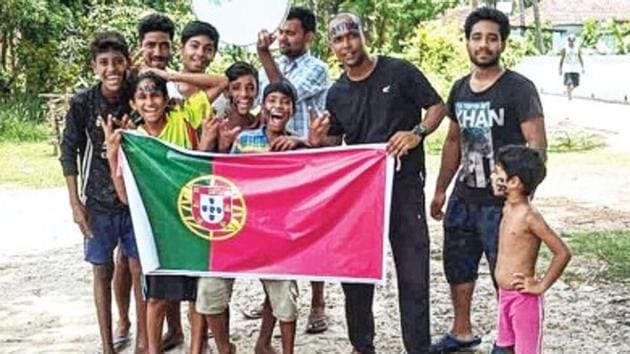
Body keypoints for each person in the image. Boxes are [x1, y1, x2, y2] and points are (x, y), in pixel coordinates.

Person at [308, 13, 447, 354]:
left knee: (413, 271)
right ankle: (362, 344)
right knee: (355, 271)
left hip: (404, 186)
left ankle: (417, 346)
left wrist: (416, 133)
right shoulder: (337, 92)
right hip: (360, 195)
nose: (347, 45)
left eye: (351, 36)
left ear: (364, 34)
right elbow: (335, 146)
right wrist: (316, 140)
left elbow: (437, 107)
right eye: (338, 40)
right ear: (332, 47)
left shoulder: (399, 72)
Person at [429, 8, 547, 353]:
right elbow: (453, 141)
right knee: (458, 266)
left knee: (509, 275)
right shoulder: (459, 88)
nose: (484, 44)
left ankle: (508, 339)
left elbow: (537, 146)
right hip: (464, 198)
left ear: (502, 44)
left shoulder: (519, 89)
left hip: (504, 204)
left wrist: (522, 194)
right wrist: (440, 189)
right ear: (467, 41)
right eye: (477, 37)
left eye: (492, 38)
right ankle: (462, 331)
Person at [195, 71, 299, 354]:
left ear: (292, 110)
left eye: (285, 102)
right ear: (263, 106)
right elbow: (223, 179)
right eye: (272, 100)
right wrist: (224, 147)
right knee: (209, 293)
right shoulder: (243, 140)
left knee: (286, 301)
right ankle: (225, 347)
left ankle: (276, 347)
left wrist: (303, 144)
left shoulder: (297, 146)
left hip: (276, 234)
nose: (278, 106)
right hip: (236, 230)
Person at [59, 31, 147, 354]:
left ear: (126, 64)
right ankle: (107, 345)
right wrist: (75, 202)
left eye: (117, 62)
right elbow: (69, 151)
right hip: (96, 202)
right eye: (104, 63)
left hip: (134, 200)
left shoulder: (137, 96)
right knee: (102, 271)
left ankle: (142, 341)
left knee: (139, 269)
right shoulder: (83, 102)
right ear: (94, 66)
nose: (111, 69)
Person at [251, 7, 331, 332]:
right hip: (275, 161)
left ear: (308, 37)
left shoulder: (318, 69)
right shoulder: (272, 64)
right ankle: (273, 297)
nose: (283, 38)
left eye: (291, 33)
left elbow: (283, 92)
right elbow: (265, 104)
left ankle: (317, 301)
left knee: (311, 231)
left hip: (307, 156)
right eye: (281, 32)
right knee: (271, 230)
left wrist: (263, 53)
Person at [111, 14, 177, 351]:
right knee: (129, 259)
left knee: (166, 266)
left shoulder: (173, 86)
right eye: (151, 44)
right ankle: (129, 323)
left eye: (164, 44)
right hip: (130, 180)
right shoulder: (125, 82)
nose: (158, 50)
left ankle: (167, 332)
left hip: (166, 195)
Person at [489, 145, 571, 354]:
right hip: (505, 295)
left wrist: (541, 285)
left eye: (498, 171)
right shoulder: (507, 206)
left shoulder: (529, 216)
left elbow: (562, 252)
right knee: (503, 348)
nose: (493, 175)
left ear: (514, 182)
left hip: (523, 299)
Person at [558, 33, 584, 101]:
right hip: (567, 68)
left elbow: (580, 57)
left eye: (573, 40)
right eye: (570, 40)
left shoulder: (577, 48)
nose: (571, 42)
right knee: (568, 83)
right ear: (568, 41)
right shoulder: (565, 49)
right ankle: (569, 97)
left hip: (575, 68)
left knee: (576, 84)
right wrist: (560, 69)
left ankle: (568, 92)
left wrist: (582, 67)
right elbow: (562, 59)